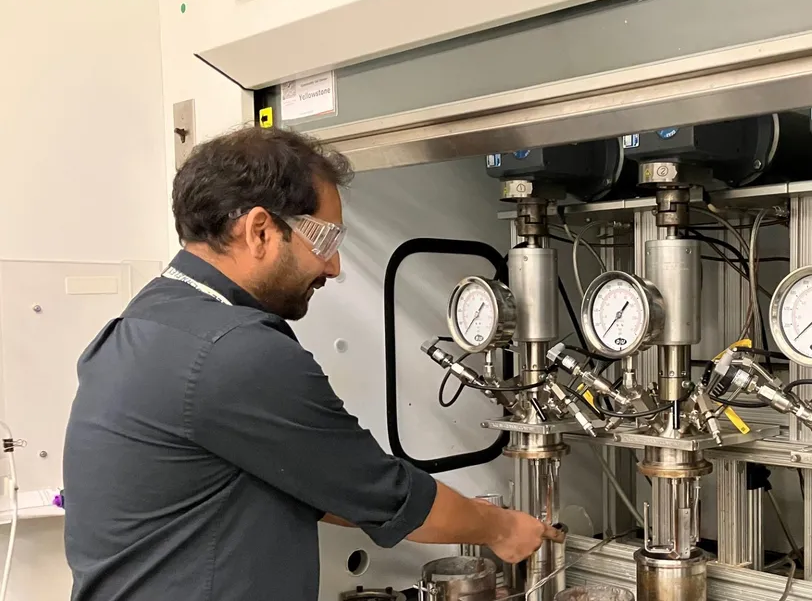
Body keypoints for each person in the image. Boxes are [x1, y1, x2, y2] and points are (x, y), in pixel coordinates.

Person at [63, 127, 552, 601]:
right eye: (325, 241)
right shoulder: (235, 352)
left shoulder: (150, 320)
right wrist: (502, 527)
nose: (333, 267)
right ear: (259, 230)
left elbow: (325, 485)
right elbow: (383, 492)